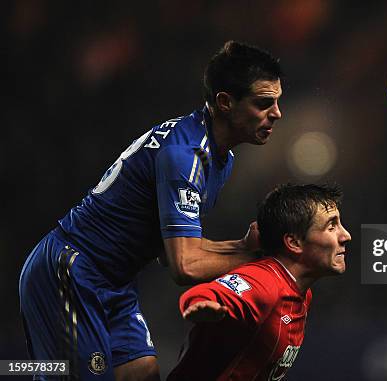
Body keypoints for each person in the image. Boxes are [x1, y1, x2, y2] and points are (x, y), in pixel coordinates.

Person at [19, 40, 283, 381]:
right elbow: (184, 265)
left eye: (277, 101)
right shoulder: (186, 156)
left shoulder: (218, 157)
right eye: (264, 103)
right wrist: (266, 258)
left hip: (113, 283)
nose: (277, 113)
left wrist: (244, 247)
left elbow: (169, 248)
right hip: (70, 273)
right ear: (225, 102)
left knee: (143, 374)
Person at [167, 183, 351, 381]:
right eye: (331, 227)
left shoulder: (302, 292)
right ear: (294, 243)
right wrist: (204, 305)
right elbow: (206, 295)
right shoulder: (266, 282)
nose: (346, 235)